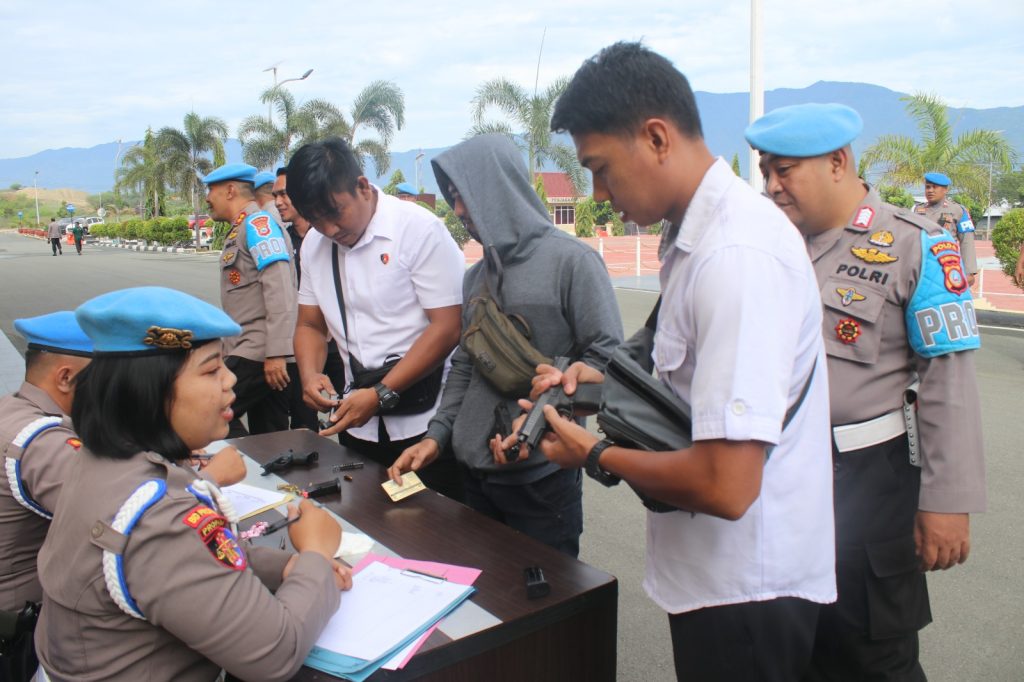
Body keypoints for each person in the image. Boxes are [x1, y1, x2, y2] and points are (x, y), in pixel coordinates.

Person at [530, 42, 837, 679]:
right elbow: (690, 389)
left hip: (747, 590)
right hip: (717, 577)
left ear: (656, 137)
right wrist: (598, 387)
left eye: (601, 168)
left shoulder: (735, 256)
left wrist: (594, 454)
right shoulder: (696, 239)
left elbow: (728, 486)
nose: (598, 192)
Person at [746, 102, 985, 681]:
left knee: (871, 654)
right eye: (767, 172)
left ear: (837, 161)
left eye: (785, 170)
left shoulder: (917, 244)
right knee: (783, 650)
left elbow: (948, 382)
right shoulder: (765, 244)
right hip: (770, 481)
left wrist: (946, 501)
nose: (772, 185)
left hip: (865, 481)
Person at [34, 286, 351, 682]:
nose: (230, 379)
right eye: (211, 369)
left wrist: (287, 565)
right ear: (150, 392)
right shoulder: (161, 516)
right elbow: (275, 653)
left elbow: (201, 560)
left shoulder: (103, 460)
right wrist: (316, 552)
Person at [387, 133, 623, 557]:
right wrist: (436, 437)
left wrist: (540, 424)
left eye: (464, 195)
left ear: (498, 189)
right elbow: (465, 366)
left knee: (551, 590)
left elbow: (607, 361)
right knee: (490, 586)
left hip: (542, 480)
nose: (459, 210)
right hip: (474, 475)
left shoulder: (573, 262)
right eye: (452, 198)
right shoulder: (476, 277)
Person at [285, 138, 466, 501]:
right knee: (367, 517)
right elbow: (310, 325)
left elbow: (448, 327)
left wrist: (382, 393)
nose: (329, 229)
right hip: (358, 420)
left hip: (428, 424)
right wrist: (310, 375)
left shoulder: (417, 230)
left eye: (335, 212)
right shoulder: (314, 246)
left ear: (363, 186)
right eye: (315, 219)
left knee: (434, 523)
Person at [0, 312, 91, 681]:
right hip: (21, 632)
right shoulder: (42, 441)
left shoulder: (12, 408)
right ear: (65, 377)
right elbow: (117, 512)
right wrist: (209, 477)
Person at [204, 162, 297, 437]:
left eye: (211, 190)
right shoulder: (241, 227)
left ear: (230, 190)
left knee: (209, 411)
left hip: (257, 351)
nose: (208, 198)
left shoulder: (259, 225)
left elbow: (280, 287)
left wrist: (277, 352)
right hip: (251, 349)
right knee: (270, 435)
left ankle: (235, 460)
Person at [271, 166, 343, 431]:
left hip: (339, 344)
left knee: (347, 413)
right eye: (275, 196)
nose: (278, 202)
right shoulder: (280, 240)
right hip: (303, 342)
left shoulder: (331, 236)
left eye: (284, 194)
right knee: (304, 418)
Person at [914, 172, 978, 286]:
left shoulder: (958, 211)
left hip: (947, 266)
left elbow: (967, 241)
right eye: (927, 187)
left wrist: (969, 272)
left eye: (935, 187)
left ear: (945, 190)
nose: (930, 190)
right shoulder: (916, 210)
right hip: (921, 267)